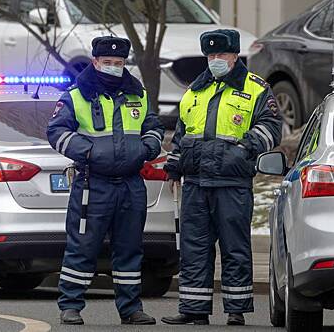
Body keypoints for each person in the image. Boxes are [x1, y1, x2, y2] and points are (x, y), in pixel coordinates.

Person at [161, 29, 282, 326]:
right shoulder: (194, 92)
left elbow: (271, 127)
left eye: (222, 55)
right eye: (211, 55)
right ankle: (194, 309)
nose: (216, 60)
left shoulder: (256, 88)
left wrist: (243, 149)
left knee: (235, 248)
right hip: (196, 183)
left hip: (233, 183)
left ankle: (236, 310)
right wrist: (175, 166)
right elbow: (182, 133)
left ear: (235, 55)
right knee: (194, 248)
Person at [47, 36, 164, 325]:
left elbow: (153, 126)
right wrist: (87, 151)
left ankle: (130, 308)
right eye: (108, 62)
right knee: (83, 246)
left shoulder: (139, 94)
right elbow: (56, 132)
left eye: (119, 63)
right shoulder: (75, 96)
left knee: (130, 247)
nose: (114, 67)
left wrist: (148, 147)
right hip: (92, 184)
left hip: (130, 184)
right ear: (95, 62)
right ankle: (71, 305)